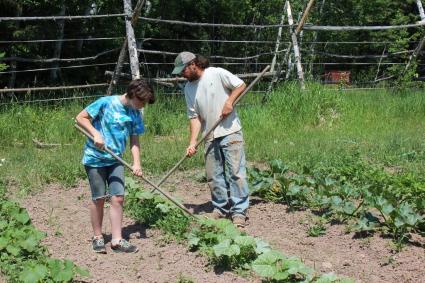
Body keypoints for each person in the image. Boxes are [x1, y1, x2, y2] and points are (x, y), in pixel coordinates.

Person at [76, 79, 155, 253]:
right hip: (95, 159)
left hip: (115, 160)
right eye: (142, 102)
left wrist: (137, 163)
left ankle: (117, 240)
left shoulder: (135, 113)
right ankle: (97, 237)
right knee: (98, 198)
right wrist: (95, 134)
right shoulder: (106, 103)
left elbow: (134, 140)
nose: (143, 106)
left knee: (118, 198)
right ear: (133, 94)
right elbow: (80, 118)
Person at [171, 51, 250, 227]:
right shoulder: (189, 88)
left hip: (230, 131)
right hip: (209, 135)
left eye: (183, 70)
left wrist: (229, 102)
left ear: (193, 64)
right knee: (213, 175)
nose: (182, 74)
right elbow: (194, 118)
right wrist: (192, 142)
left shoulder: (217, 73)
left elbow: (240, 85)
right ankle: (221, 209)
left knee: (236, 173)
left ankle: (239, 212)